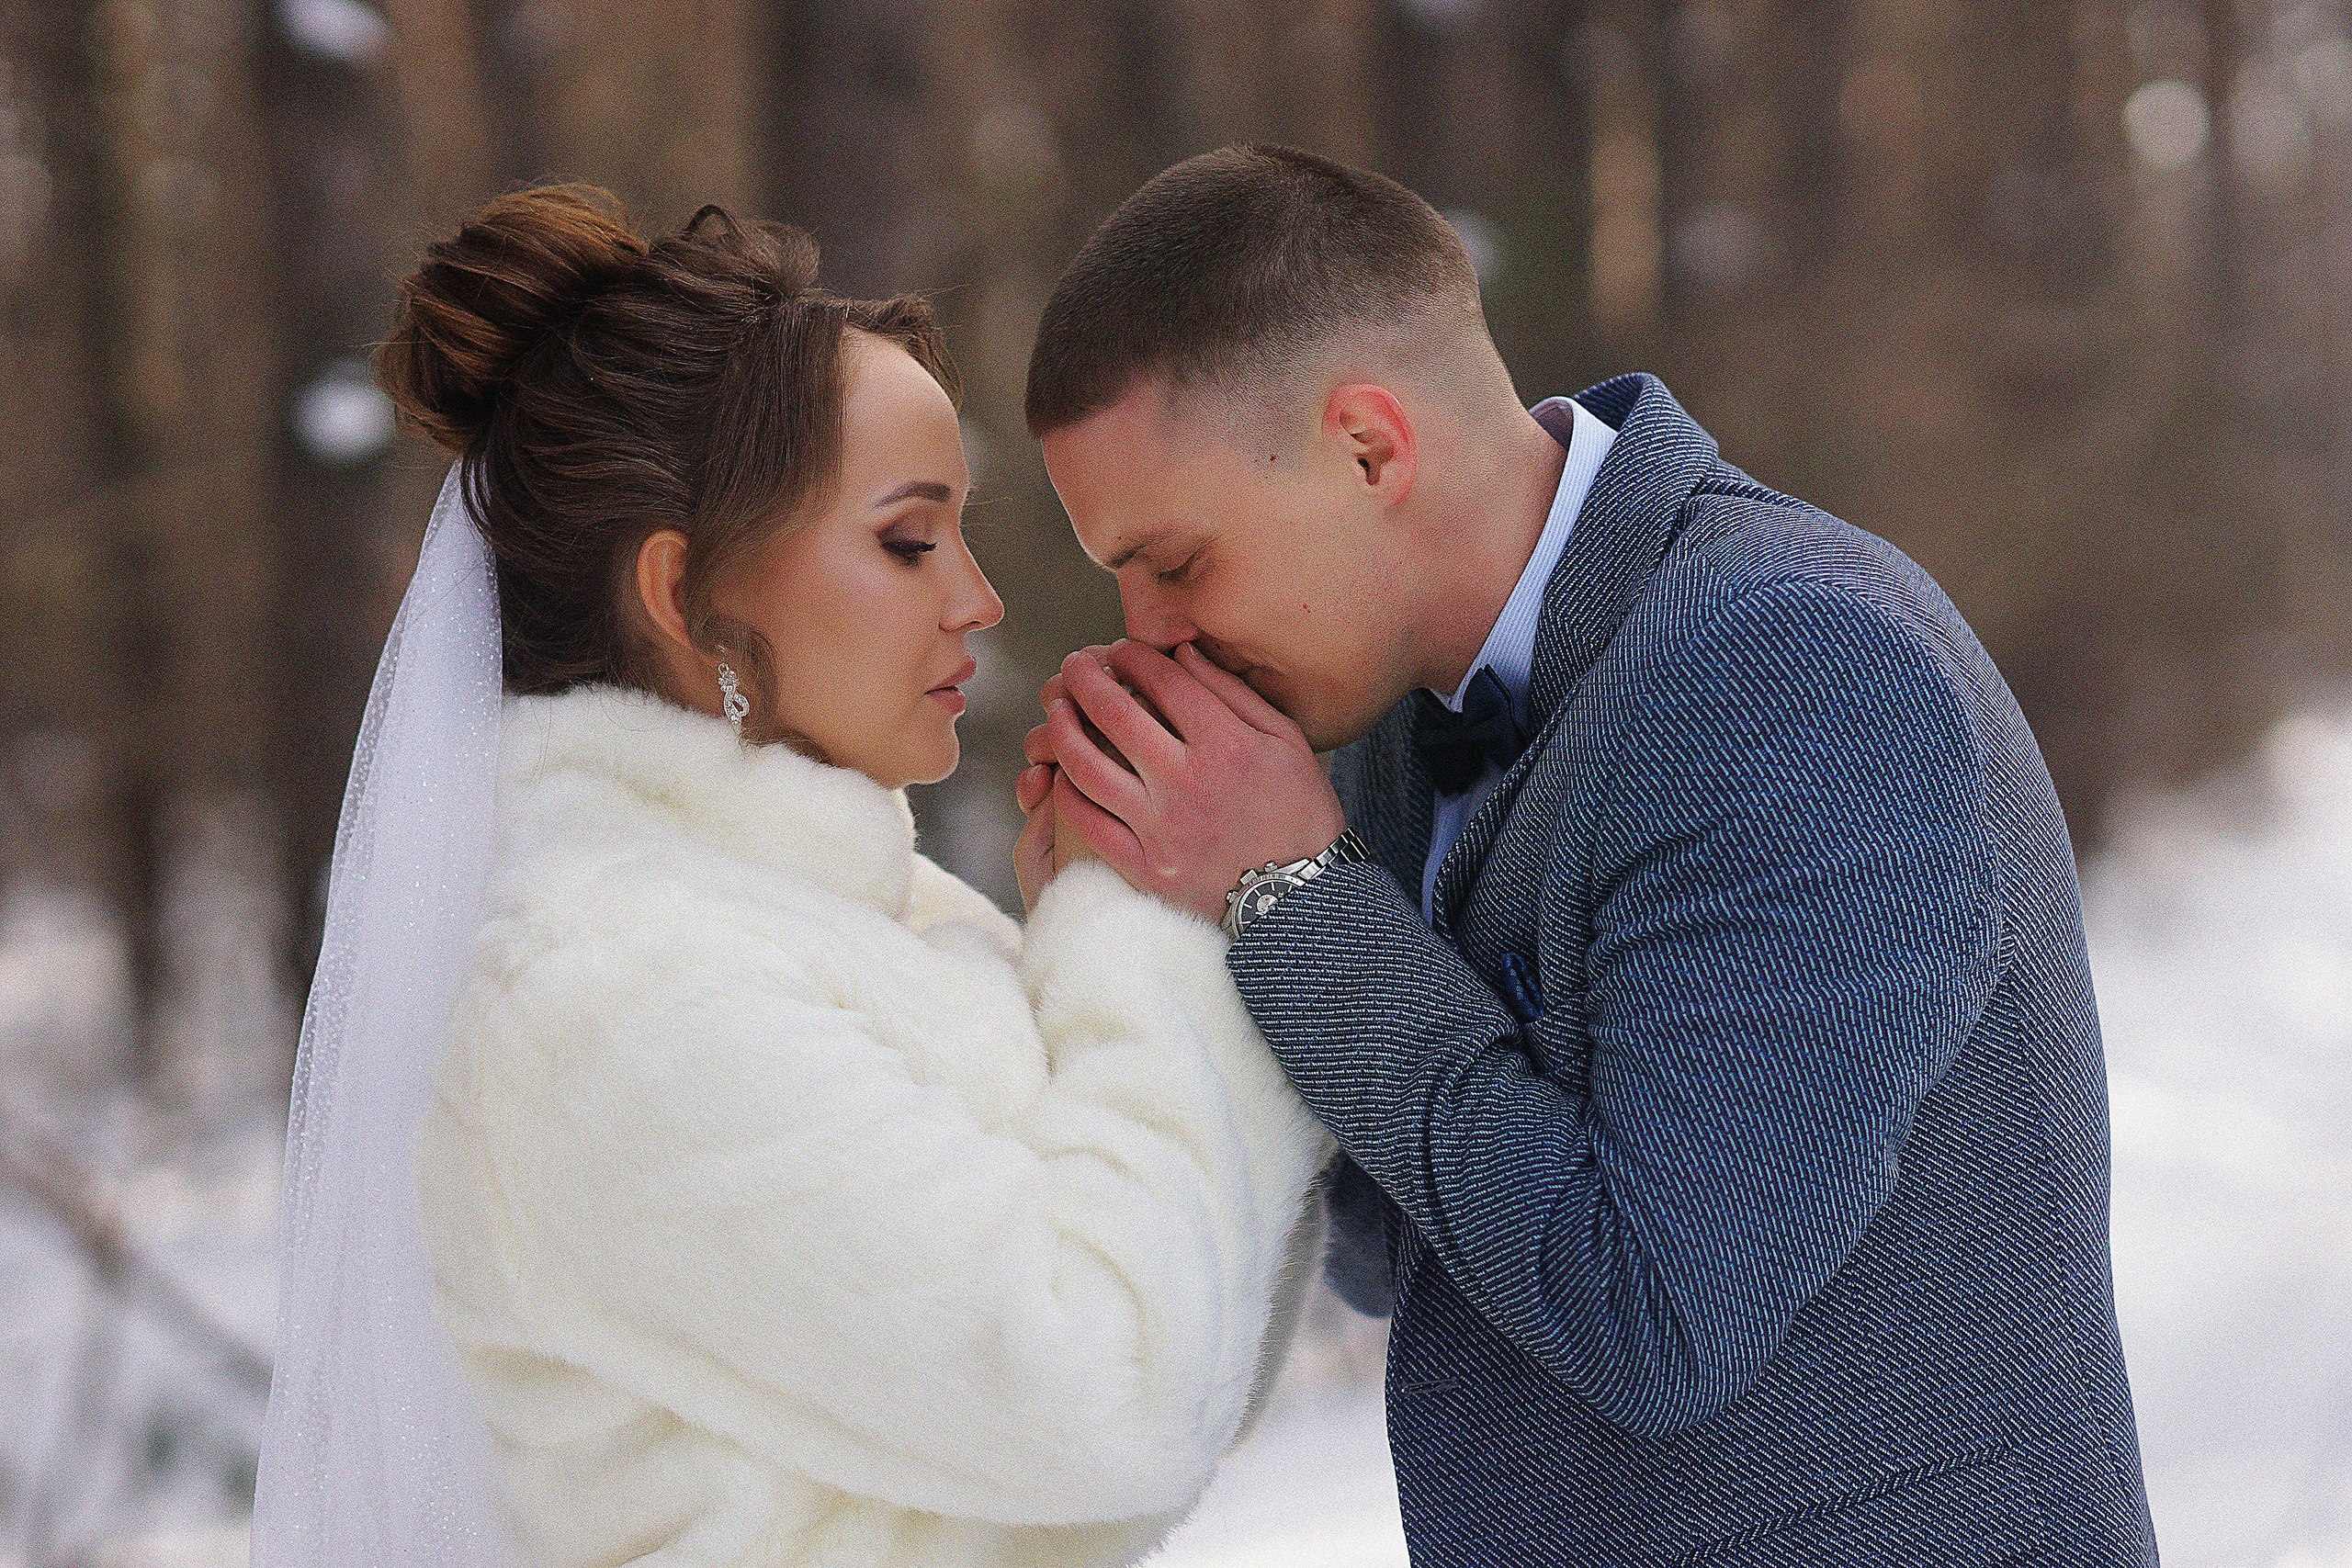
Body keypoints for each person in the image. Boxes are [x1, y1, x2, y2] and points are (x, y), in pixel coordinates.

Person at [1016, 144, 2159, 1567]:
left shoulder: (1800, 667)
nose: (1151, 633)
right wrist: (1174, 925)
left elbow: (1657, 1311)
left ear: (1370, 446)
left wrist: (1290, 900)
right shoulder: (1374, 711)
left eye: (1176, 563)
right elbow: (1405, 1247)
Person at [252, 184, 1329, 1568]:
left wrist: (1111, 929)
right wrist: (1147, 931)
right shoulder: (600, 1002)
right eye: (906, 539)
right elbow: (1110, 1391)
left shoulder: (847, 915)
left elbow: (1198, 1344)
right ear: (682, 592)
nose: (978, 600)